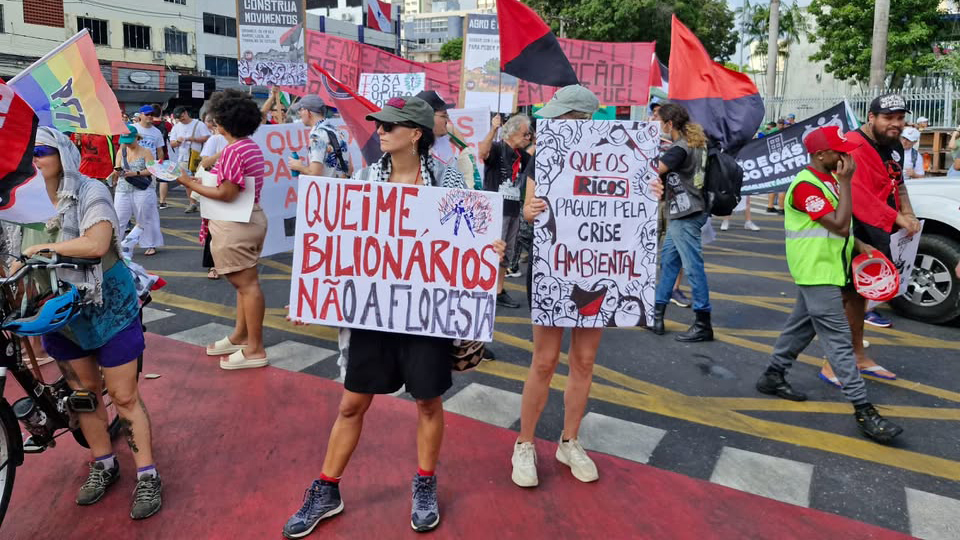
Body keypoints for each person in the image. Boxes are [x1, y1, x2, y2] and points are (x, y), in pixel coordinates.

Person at [281, 95, 503, 538]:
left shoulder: (449, 182)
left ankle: (425, 483)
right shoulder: (363, 179)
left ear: (416, 134)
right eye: (379, 124)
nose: (380, 131)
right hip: (375, 315)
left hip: (427, 314)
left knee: (428, 401)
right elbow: (340, 244)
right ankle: (327, 489)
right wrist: (314, 294)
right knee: (352, 404)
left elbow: (468, 245)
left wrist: (489, 249)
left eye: (390, 125)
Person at [513, 85, 665, 489]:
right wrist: (530, 211)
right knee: (544, 361)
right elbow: (528, 209)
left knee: (584, 360)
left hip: (601, 269)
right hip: (555, 266)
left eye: (561, 115)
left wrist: (652, 194)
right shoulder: (545, 154)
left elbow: (638, 206)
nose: (552, 121)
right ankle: (524, 443)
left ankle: (569, 441)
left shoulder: (628, 156)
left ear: (580, 118)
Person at [13, 126, 162, 518]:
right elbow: (9, 256)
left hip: (107, 307)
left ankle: (147, 474)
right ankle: (104, 464)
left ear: (62, 153)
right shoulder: (15, 202)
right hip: (57, 314)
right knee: (84, 394)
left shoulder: (89, 189)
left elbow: (96, 244)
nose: (33, 159)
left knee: (124, 396)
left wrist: (45, 247)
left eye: (41, 151)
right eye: (27, 152)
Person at [755, 126, 903, 444]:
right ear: (821, 155)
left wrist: (861, 246)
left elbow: (841, 229)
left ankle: (773, 375)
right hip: (815, 272)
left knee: (801, 326)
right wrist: (847, 183)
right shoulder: (805, 187)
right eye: (840, 151)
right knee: (838, 340)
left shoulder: (828, 181)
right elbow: (839, 225)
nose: (846, 156)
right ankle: (864, 411)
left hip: (827, 270)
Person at [827, 93, 922, 383]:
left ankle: (856, 355)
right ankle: (834, 362)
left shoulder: (894, 144)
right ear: (871, 117)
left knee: (860, 296)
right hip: (854, 228)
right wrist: (898, 218)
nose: (896, 124)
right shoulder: (853, 145)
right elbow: (857, 193)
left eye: (900, 118)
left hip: (880, 227)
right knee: (844, 297)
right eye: (888, 118)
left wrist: (909, 213)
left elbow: (899, 183)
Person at [177, 89, 268, 370]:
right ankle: (241, 336)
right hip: (249, 219)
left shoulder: (232, 151)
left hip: (234, 225)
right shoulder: (248, 146)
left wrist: (188, 183)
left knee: (247, 286)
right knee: (244, 285)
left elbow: (226, 193)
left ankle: (255, 348)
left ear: (222, 122)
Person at [650, 103, 714, 342]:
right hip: (690, 210)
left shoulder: (678, 148)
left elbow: (654, 170)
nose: (656, 125)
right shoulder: (697, 142)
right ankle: (656, 316)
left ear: (669, 124)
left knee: (693, 267)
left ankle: (703, 322)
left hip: (686, 213)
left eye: (658, 121)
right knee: (669, 262)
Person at [479, 113, 532, 309]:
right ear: (513, 131)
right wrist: (494, 129)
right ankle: (484, 288)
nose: (528, 137)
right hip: (495, 210)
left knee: (506, 253)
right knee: (493, 251)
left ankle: (499, 290)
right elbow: (482, 153)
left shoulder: (521, 155)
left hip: (513, 209)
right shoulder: (497, 148)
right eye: (525, 133)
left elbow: (535, 164)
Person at [109, 124, 164, 257]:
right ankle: (115, 245)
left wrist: (136, 173)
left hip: (142, 187)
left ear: (136, 138)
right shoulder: (121, 151)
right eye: (125, 141)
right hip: (123, 187)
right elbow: (117, 167)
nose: (127, 144)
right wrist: (116, 173)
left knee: (145, 216)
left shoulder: (146, 151)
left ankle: (150, 244)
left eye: (129, 141)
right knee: (119, 217)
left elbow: (152, 170)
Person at [287, 95, 352, 179]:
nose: (299, 113)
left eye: (301, 110)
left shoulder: (317, 135)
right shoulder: (338, 131)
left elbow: (315, 173)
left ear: (308, 112)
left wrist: (299, 167)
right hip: (342, 185)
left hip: (326, 187)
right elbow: (350, 169)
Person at [198, 113, 229, 280]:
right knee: (215, 228)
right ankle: (213, 264)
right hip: (216, 186)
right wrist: (223, 153)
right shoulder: (215, 140)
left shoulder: (243, 140)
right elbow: (205, 163)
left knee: (233, 228)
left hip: (237, 188)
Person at [169, 106, 211, 213]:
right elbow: (172, 143)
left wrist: (192, 139)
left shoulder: (199, 124)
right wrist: (178, 142)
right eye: (179, 118)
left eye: (182, 117)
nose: (181, 119)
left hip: (198, 157)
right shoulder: (176, 127)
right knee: (187, 181)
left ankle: (205, 202)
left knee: (202, 180)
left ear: (186, 113)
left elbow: (207, 137)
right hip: (183, 158)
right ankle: (192, 203)